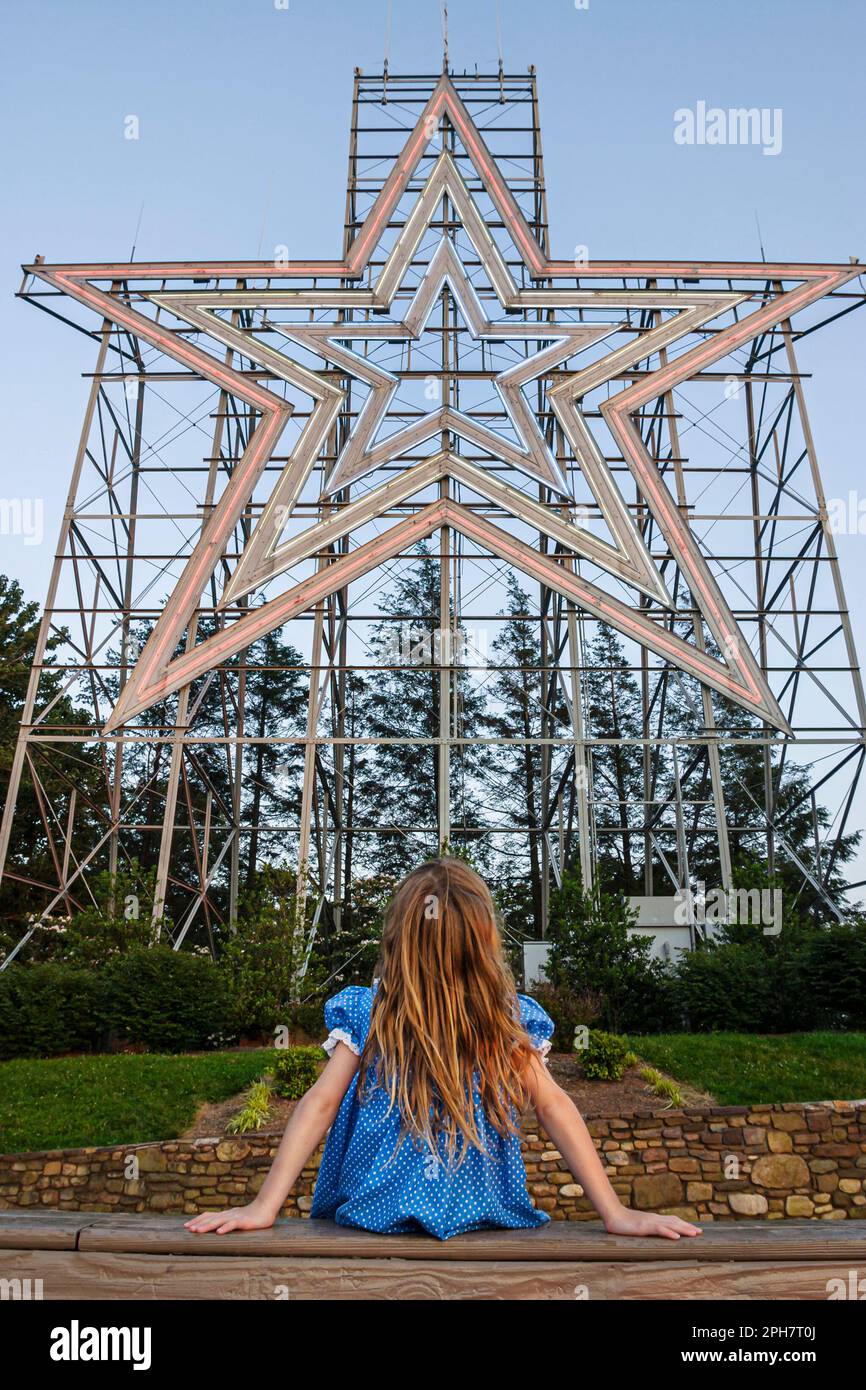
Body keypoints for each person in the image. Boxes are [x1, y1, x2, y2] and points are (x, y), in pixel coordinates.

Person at [185, 858, 701, 1242]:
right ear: (483, 945)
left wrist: (264, 1205)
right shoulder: (505, 1021)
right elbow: (553, 1106)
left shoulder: (371, 1012)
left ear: (398, 939)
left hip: (374, 1210)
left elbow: (319, 1103)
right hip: (483, 1211)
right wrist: (614, 1212)